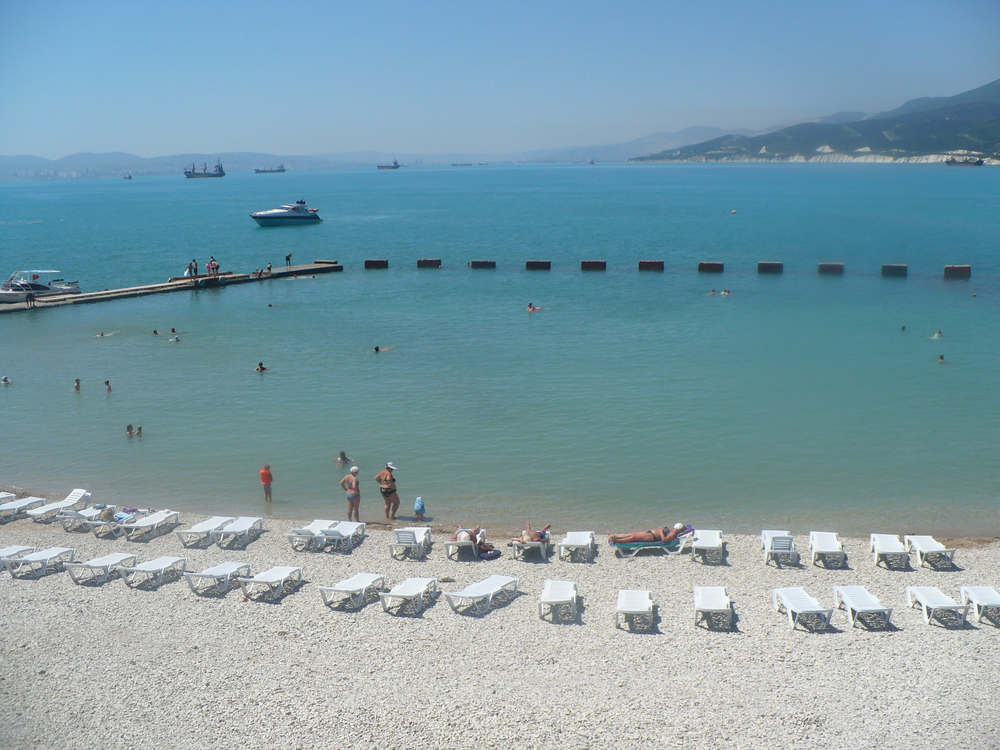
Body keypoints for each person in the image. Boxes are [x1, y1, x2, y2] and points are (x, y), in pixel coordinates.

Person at [608, 523, 686, 545]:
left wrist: (661, 531)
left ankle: (617, 540)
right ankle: (616, 536)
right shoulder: (672, 530)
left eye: (676, 528)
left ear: (678, 530)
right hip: (650, 532)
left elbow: (664, 540)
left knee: (633, 537)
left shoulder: (673, 534)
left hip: (652, 537)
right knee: (632, 533)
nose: (674, 529)